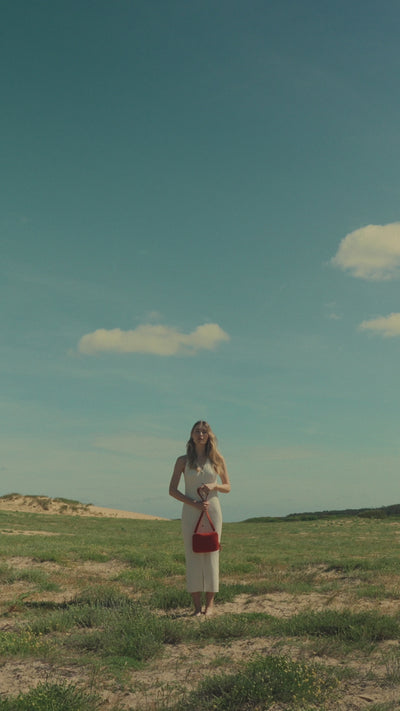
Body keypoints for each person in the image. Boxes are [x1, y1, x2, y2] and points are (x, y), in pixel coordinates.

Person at [169, 420, 231, 617]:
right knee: (193, 555)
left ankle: (210, 605)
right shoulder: (182, 461)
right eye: (197, 431)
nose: (201, 435)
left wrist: (214, 486)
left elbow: (228, 487)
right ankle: (196, 607)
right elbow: (172, 490)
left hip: (212, 510)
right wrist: (193, 503)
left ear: (209, 435)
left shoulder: (217, 459)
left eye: (204, 431)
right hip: (190, 511)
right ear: (191, 434)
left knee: (212, 554)